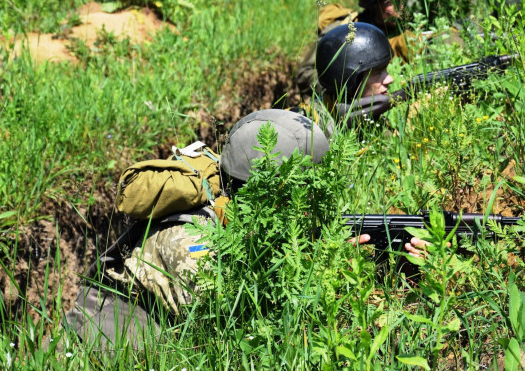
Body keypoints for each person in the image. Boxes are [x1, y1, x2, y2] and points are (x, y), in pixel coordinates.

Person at [61, 109, 330, 350]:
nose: (306, 206)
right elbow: (227, 334)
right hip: (97, 347)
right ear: (262, 190)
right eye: (299, 192)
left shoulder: (235, 216)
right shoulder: (189, 240)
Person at [296, 0, 420, 98]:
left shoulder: (402, 28)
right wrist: (345, 90)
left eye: (402, 1)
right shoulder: (344, 30)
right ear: (373, 4)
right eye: (391, 3)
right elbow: (305, 73)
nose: (400, 8)